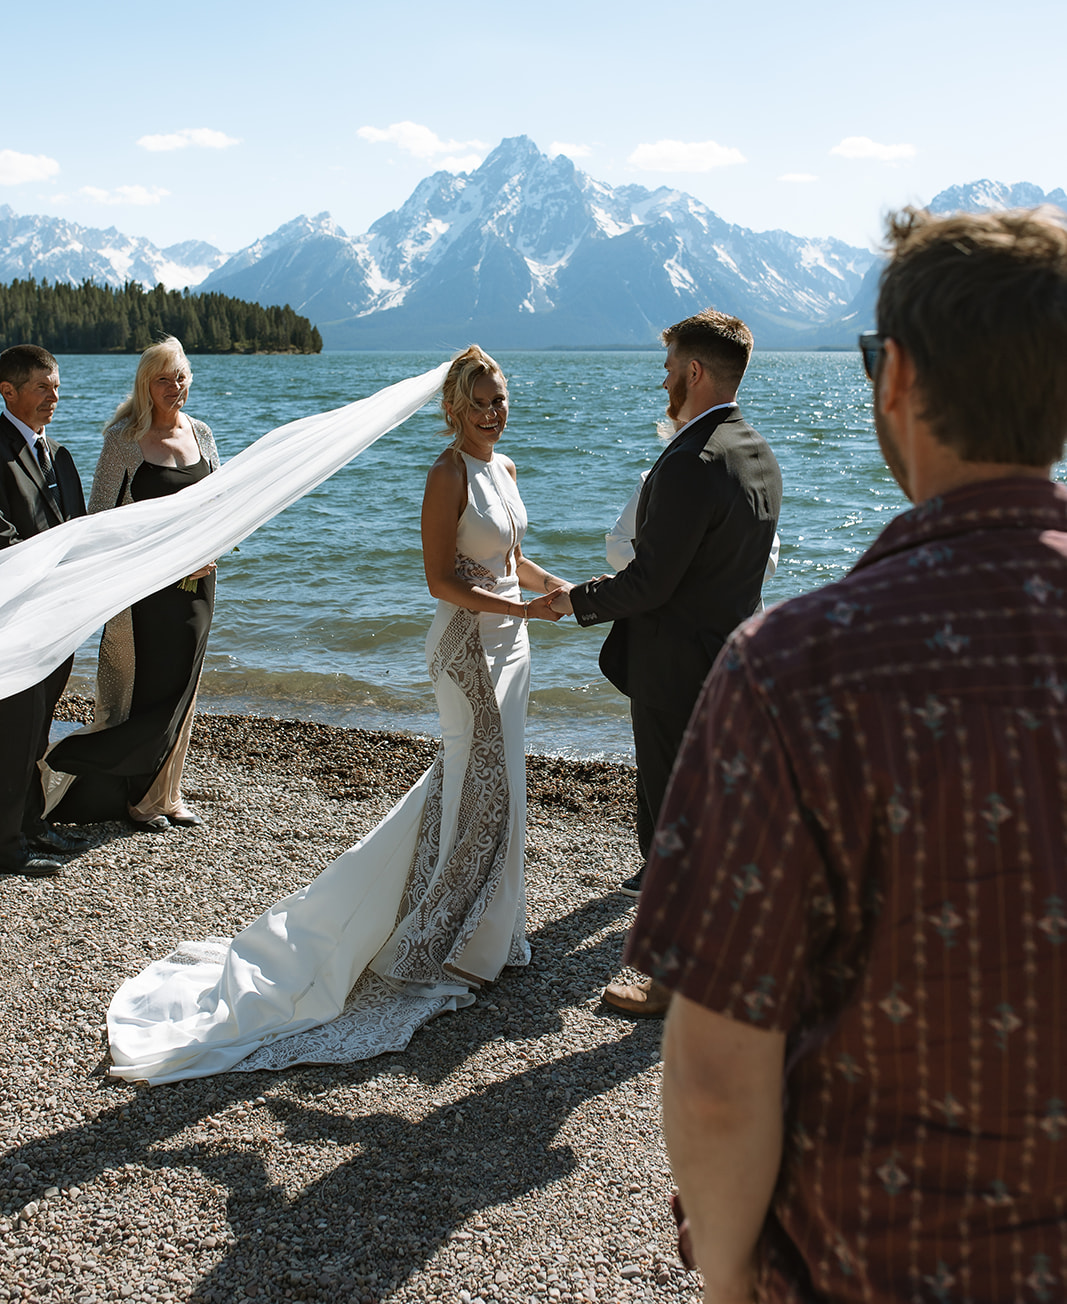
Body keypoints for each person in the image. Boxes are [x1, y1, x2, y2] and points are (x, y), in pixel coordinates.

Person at [628, 205, 1067, 1304]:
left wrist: (729, 1278)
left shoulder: (793, 670)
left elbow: (719, 1071)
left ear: (895, 375)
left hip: (876, 1262)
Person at [104, 345, 568, 1082]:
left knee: (492, 784)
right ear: (451, 408)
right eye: (478, 402)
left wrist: (564, 592)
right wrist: (522, 607)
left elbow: (514, 557)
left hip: (513, 645)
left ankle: (488, 932)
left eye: (499, 399)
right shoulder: (446, 473)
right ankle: (440, 940)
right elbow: (441, 580)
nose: (491, 413)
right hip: (467, 651)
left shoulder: (503, 470)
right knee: (484, 786)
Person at [551, 309, 781, 1016]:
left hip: (673, 669)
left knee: (669, 822)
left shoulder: (691, 461)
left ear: (692, 372)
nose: (661, 382)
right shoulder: (756, 454)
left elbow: (650, 582)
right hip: (726, 664)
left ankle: (668, 976)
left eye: (667, 367)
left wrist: (569, 601)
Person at [43, 338, 219, 830]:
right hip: (140, 590)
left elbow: (222, 505)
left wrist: (212, 551)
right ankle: (62, 764)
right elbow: (100, 517)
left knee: (182, 691)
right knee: (138, 695)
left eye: (181, 376)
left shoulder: (202, 434)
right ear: (146, 384)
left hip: (197, 586)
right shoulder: (124, 438)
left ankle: (163, 795)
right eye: (163, 379)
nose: (174, 387)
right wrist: (159, 557)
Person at [0, 344, 88, 878]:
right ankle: (6, 845)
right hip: (15, 615)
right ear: (7, 392)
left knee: (38, 728)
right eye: (42, 388)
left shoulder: (59, 454)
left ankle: (33, 824)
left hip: (61, 614)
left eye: (56, 386)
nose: (53, 397)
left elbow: (81, 527)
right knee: (13, 727)